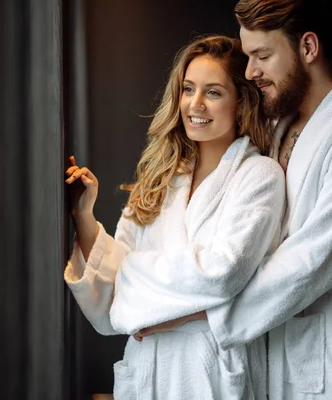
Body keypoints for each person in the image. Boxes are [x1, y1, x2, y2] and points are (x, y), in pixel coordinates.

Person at [133, 1, 332, 399]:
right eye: (248, 57)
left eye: (262, 56)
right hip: (272, 342)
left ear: (309, 48)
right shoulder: (279, 121)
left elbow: (310, 263)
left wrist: (185, 312)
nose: (250, 72)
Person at [64, 34, 286, 399]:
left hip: (211, 373)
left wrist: (148, 302)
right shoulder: (159, 179)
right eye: (188, 89)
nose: (195, 104)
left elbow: (223, 273)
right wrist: (83, 215)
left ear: (241, 101)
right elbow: (111, 288)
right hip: (148, 369)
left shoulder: (259, 177)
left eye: (213, 92)